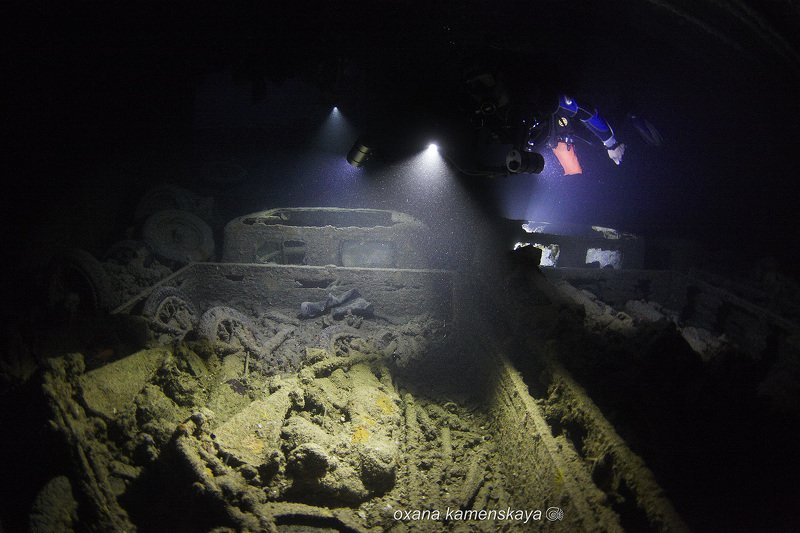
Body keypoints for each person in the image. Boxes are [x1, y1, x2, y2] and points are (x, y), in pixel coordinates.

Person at [521, 94, 625, 175]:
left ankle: (626, 107)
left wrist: (611, 143)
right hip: (553, 131)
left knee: (595, 139)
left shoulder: (543, 98)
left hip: (560, 116)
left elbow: (583, 110)